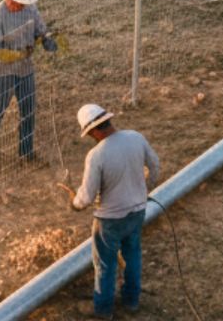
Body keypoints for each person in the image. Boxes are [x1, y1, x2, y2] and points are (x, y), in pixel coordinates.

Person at [60, 103, 160, 319]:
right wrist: (144, 189)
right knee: (133, 254)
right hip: (137, 212)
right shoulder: (136, 137)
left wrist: (74, 203)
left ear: (94, 130)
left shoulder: (96, 155)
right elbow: (155, 165)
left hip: (109, 220)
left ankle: (103, 310)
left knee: (105, 265)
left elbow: (86, 196)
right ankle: (131, 301)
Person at [0, 0, 56, 176]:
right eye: (19, 1)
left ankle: (26, 151)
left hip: (26, 70)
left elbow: (40, 29)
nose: (23, 5)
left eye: (25, 1)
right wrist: (19, 55)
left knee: (28, 111)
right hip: (2, 74)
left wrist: (47, 38)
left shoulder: (30, 8)